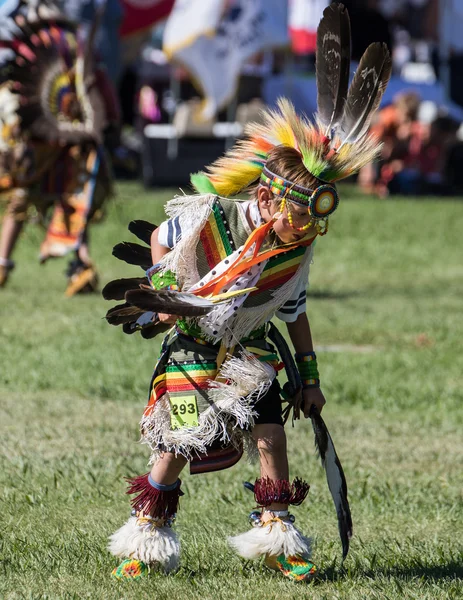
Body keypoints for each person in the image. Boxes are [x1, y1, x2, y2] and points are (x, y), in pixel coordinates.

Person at [104, 3, 390, 583]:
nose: (307, 231)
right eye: (297, 217)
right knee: (179, 438)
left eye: (313, 222)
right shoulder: (209, 218)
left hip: (249, 346)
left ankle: (278, 533)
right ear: (265, 199)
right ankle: (146, 537)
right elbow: (160, 239)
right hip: (189, 336)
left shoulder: (293, 251)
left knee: (270, 432)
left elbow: (295, 313)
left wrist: (309, 381)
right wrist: (163, 296)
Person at [0, 1, 116, 294]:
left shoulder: (69, 44)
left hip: (66, 135)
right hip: (38, 135)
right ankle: (5, 263)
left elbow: (90, 81)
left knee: (74, 196)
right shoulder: (35, 43)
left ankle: (80, 266)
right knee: (32, 195)